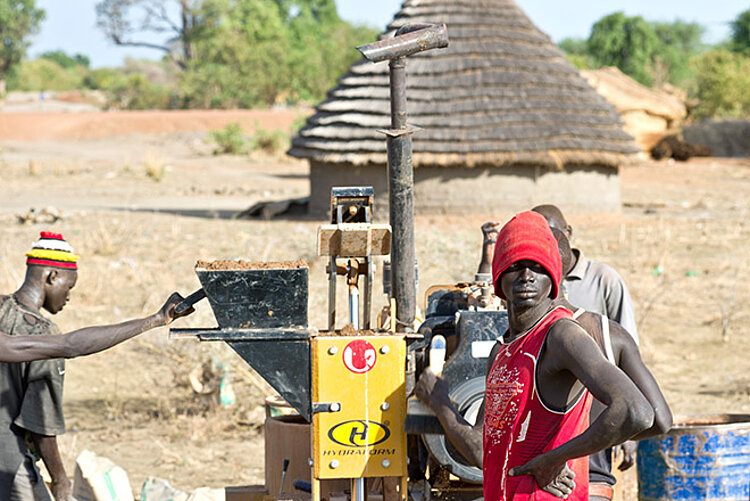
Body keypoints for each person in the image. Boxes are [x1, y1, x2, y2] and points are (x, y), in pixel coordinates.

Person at [416, 211, 655, 500]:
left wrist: (554, 459)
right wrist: (441, 403)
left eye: (538, 266)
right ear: (499, 276)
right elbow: (483, 452)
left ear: (553, 275)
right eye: (515, 265)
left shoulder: (561, 335)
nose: (526, 276)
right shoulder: (501, 351)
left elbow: (637, 411)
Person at [0, 232, 192, 501]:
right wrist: (156, 319)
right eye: (69, 288)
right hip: (8, 462)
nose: (68, 297)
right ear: (52, 277)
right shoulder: (42, 331)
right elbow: (70, 347)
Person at [531, 205, 639, 344]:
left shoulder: (603, 279)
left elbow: (628, 341)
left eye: (553, 235)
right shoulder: (530, 282)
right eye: (536, 237)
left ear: (568, 232)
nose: (546, 243)